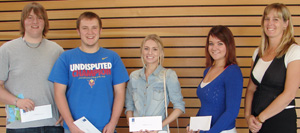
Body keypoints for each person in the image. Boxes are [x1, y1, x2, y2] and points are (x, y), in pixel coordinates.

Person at [48, 11, 129, 133]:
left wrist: (113, 122)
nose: (90, 32)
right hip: (75, 129)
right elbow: (59, 93)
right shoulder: (66, 58)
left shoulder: (113, 58)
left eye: (94, 28)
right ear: (78, 31)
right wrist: (71, 124)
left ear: (100, 30)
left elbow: (120, 93)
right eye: (85, 28)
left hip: (105, 129)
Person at [0, 2, 64, 133]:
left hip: (52, 125)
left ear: (45, 22)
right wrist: (17, 101)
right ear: (23, 21)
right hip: (19, 127)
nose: (35, 22)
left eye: (40, 18)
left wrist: (66, 113)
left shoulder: (56, 51)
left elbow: (66, 87)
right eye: (30, 17)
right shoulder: (7, 50)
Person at [244, 3, 300, 133]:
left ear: (286, 23)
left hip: (280, 122)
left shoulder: (294, 51)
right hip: (256, 123)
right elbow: (251, 88)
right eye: (267, 18)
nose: (270, 23)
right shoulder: (258, 53)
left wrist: (261, 118)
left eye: (276, 19)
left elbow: (289, 94)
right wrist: (248, 116)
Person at [187, 26, 243, 133]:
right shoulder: (208, 70)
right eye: (211, 43)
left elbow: (232, 112)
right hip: (206, 130)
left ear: (229, 45)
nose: (214, 48)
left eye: (220, 43)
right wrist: (193, 125)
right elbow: (206, 106)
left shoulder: (233, 72)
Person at [125, 34, 185, 133]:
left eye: (155, 49)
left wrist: (159, 126)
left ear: (160, 53)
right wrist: (132, 125)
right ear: (142, 51)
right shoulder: (134, 76)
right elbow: (129, 106)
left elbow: (179, 107)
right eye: (146, 48)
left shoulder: (169, 75)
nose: (150, 53)